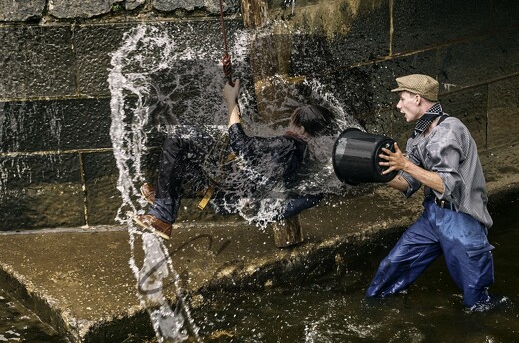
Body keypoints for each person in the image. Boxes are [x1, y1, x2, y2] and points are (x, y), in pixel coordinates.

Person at [134, 79, 337, 240]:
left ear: (301, 129)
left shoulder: (288, 145)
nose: (289, 125)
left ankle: (162, 215)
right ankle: (166, 196)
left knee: (180, 137)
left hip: (225, 190)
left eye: (293, 122)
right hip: (228, 192)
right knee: (187, 154)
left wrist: (231, 100)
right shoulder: (306, 156)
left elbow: (242, 146)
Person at [365, 74, 496, 311]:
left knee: (476, 299)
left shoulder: (449, 131)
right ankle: (374, 311)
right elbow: (407, 182)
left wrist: (404, 164)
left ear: (417, 99)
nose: (397, 105)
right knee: (392, 267)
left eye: (402, 98)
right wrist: (374, 173)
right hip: (433, 217)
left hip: (462, 221)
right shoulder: (418, 136)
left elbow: (446, 184)